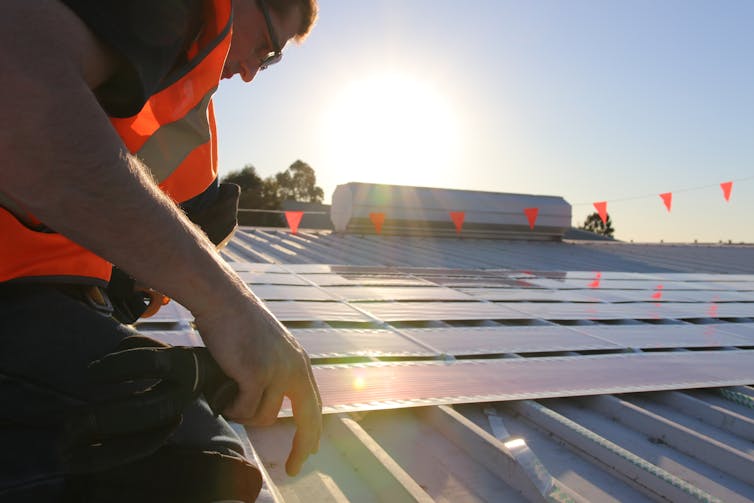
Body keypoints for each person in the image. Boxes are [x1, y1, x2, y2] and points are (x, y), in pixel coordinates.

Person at [0, 0, 321, 501]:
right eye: (267, 49)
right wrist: (226, 302)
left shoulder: (191, 123)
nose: (254, 72)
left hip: (46, 297)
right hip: (14, 288)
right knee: (199, 467)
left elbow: (159, 228)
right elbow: (16, 94)